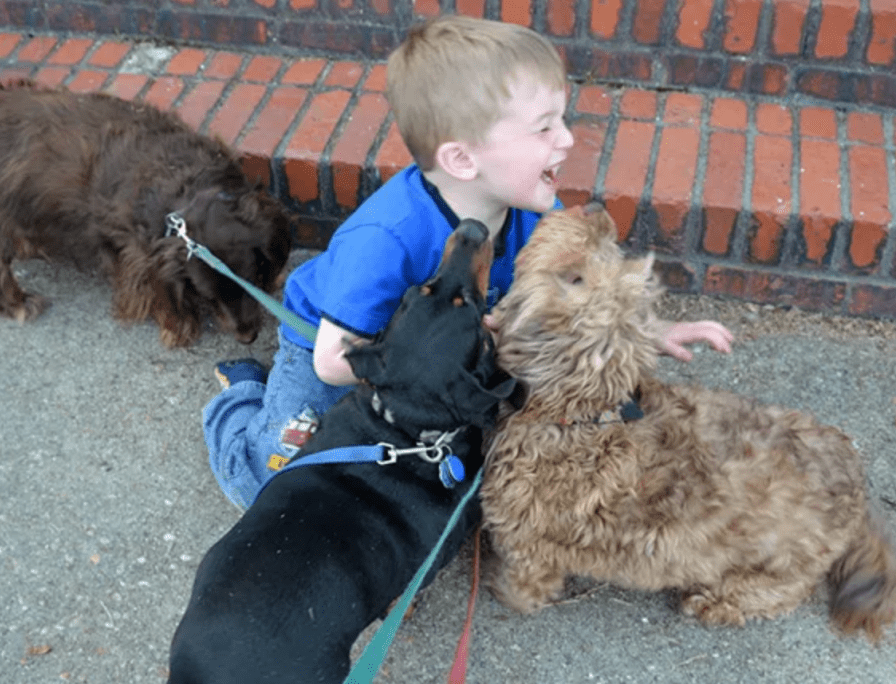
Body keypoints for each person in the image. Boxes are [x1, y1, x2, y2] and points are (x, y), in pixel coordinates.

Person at [203, 15, 733, 509]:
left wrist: (648, 329)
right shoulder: (384, 238)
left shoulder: (531, 205)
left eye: (562, 120)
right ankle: (241, 401)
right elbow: (333, 362)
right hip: (333, 343)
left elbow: (587, 283)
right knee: (277, 480)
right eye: (543, 128)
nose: (568, 139)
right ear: (462, 159)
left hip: (437, 358)